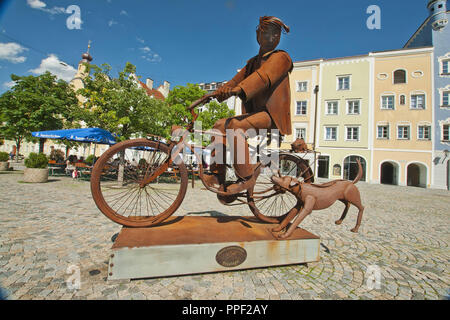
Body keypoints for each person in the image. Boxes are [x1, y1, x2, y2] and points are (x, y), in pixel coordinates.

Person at [203, 16, 293, 194]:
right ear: (258, 35)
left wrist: (238, 90)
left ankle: (245, 179)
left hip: (272, 116)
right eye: (269, 33)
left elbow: (262, 78)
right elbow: (235, 80)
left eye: (277, 34)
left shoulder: (282, 58)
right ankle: (217, 174)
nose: (274, 37)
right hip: (256, 115)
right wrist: (214, 94)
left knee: (235, 126)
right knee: (219, 125)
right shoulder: (252, 63)